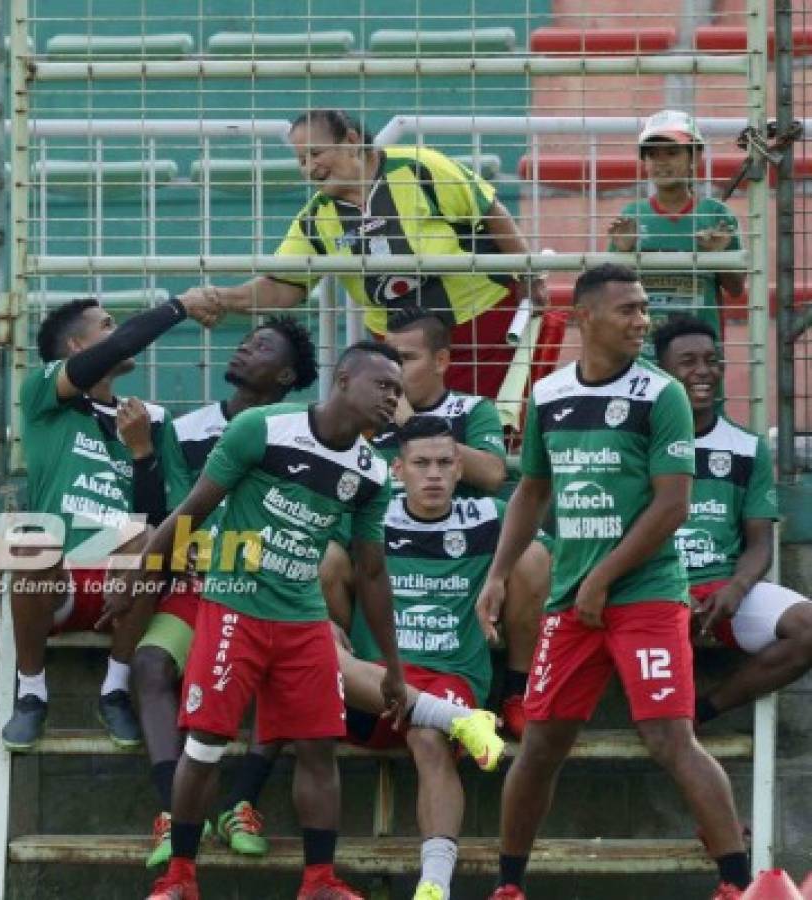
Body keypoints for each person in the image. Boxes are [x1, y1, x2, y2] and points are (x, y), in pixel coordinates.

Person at [135, 342, 496, 900]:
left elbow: (373, 574)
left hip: (302, 619)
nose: (392, 399)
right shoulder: (262, 429)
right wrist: (142, 584)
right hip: (237, 606)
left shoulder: (372, 471)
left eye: (398, 391)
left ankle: (320, 881)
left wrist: (394, 669)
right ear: (344, 378)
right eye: (383, 386)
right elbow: (191, 514)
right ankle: (180, 876)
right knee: (205, 746)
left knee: (317, 749)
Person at [475, 265, 751, 900]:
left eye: (645, 308)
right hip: (571, 601)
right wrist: (497, 575)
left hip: (647, 594)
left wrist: (603, 577)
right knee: (541, 743)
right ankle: (509, 885)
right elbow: (532, 492)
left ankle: (737, 884)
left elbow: (672, 506)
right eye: (628, 309)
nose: (642, 320)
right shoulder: (547, 395)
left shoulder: (662, 394)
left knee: (669, 737)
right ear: (584, 319)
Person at [180, 108, 548, 399]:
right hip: (401, 349)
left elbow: (491, 212)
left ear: (352, 140)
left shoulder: (420, 168)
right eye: (300, 160)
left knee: (494, 434)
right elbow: (283, 286)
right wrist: (222, 298)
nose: (310, 168)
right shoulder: (316, 219)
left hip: (483, 326)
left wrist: (530, 277)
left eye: (315, 153)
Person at [132, 316, 320, 868]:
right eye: (245, 340)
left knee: (277, 675)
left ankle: (241, 801)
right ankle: (173, 811)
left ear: (285, 375)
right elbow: (166, 512)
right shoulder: (187, 430)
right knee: (149, 664)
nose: (244, 348)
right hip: (197, 590)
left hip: (266, 591)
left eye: (261, 346)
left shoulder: (300, 433)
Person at [2, 293, 220, 751]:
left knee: (148, 537)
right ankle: (31, 693)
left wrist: (141, 453)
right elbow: (119, 346)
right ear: (78, 348)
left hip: (123, 582)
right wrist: (179, 307)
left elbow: (166, 518)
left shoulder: (152, 419)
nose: (119, 335)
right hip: (55, 584)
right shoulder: (43, 394)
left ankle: (114, 687)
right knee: (32, 538)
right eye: (107, 325)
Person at [321, 307, 550, 737]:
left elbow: (494, 474)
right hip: (386, 548)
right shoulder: (367, 416)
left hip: (468, 551)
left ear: (441, 361)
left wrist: (411, 424)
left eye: (405, 359)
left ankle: (517, 689)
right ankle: (348, 670)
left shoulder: (471, 409)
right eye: (388, 358)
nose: (393, 371)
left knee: (533, 555)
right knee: (328, 557)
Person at [335, 414, 509, 900]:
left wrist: (500, 586)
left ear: (459, 469)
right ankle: (465, 721)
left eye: (444, 463)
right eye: (421, 463)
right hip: (374, 684)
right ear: (398, 470)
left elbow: (549, 557)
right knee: (316, 643)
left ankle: (434, 883)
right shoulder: (367, 516)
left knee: (428, 736)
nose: (433, 474)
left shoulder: (489, 517)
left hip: (447, 674)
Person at [654, 316, 812, 722]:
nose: (703, 371)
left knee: (808, 627)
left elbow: (760, 540)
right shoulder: (640, 444)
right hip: (652, 586)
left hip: (722, 588)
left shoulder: (745, 447)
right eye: (687, 362)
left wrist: (737, 589)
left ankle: (704, 710)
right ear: (661, 372)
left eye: (712, 360)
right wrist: (666, 587)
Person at [606, 109, 745, 360]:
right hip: (644, 354)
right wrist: (624, 253)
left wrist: (718, 256)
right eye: (652, 154)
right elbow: (611, 290)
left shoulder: (716, 214)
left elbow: (736, 288)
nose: (661, 162)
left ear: (695, 156)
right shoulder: (631, 215)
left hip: (699, 355)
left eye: (672, 153)